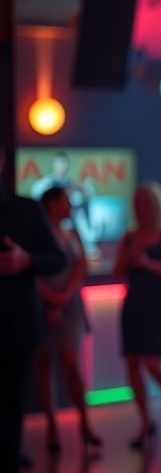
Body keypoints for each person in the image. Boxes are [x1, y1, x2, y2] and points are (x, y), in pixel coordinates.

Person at [0, 140, 66, 472]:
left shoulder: (24, 209)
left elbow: (58, 258)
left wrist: (25, 260)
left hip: (14, 327)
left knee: (11, 407)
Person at [113, 182, 161, 449]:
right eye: (137, 202)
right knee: (132, 362)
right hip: (134, 302)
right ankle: (145, 422)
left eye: (145, 201)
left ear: (155, 204)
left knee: (153, 363)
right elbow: (117, 272)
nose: (140, 207)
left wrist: (148, 263)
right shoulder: (129, 237)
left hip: (158, 304)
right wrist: (129, 258)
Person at [34, 187, 102, 454]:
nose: (70, 207)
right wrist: (50, 298)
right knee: (44, 365)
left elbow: (81, 265)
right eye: (66, 201)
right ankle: (52, 426)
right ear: (51, 204)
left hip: (70, 304)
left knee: (71, 361)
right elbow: (32, 270)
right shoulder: (38, 234)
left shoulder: (73, 233)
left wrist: (64, 295)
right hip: (43, 305)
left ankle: (85, 422)